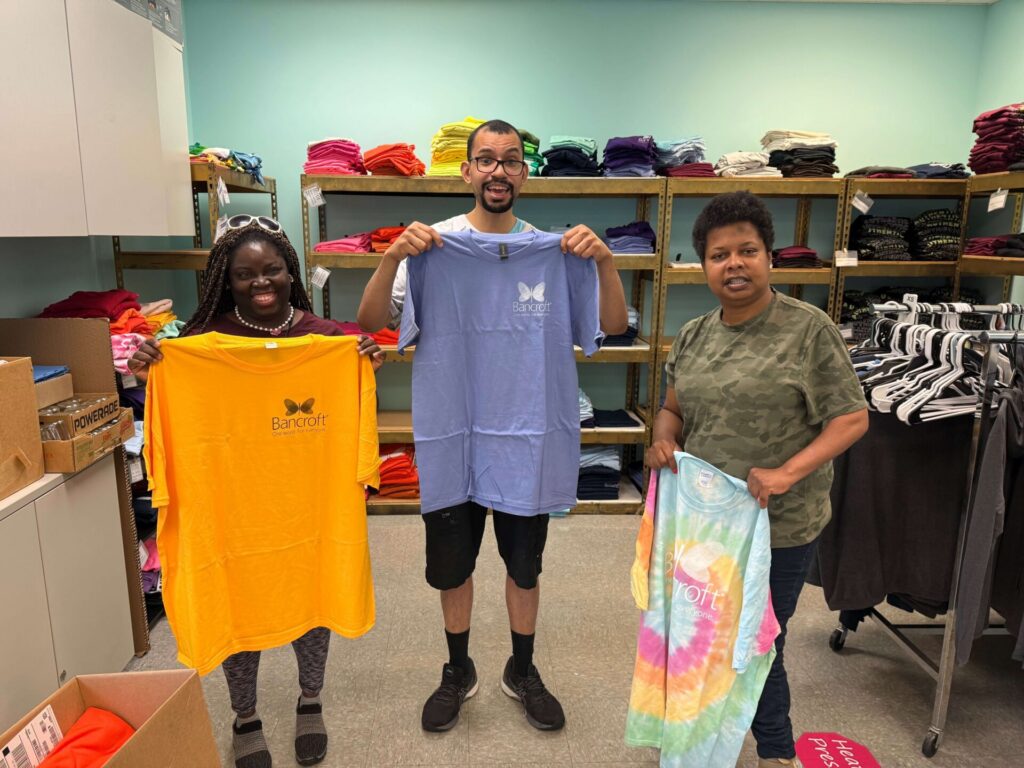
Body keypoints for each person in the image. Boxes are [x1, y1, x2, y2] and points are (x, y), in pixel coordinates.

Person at [357, 119, 628, 733]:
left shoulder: (557, 253)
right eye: (486, 159)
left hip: (526, 443)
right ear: (467, 170)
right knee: (453, 567)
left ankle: (522, 669)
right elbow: (370, 319)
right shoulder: (432, 249)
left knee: (523, 566)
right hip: (454, 438)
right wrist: (395, 254)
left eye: (509, 160)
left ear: (523, 173)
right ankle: (458, 670)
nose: (497, 170)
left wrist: (606, 262)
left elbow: (609, 327)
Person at [129, 215, 383, 768]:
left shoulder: (328, 341)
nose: (260, 282)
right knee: (235, 604)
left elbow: (358, 408)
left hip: (309, 506)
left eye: (271, 270)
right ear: (228, 279)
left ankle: (309, 699)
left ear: (291, 273)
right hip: (232, 510)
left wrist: (363, 361)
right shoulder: (197, 345)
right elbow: (170, 415)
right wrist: (151, 367)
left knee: (314, 594)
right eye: (245, 274)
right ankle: (246, 716)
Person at [645, 192, 868, 768]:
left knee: (758, 640)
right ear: (704, 266)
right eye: (720, 255)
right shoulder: (693, 335)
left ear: (770, 257)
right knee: (705, 633)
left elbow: (851, 417)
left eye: (748, 250)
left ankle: (774, 751)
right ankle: (699, 733)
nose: (734, 263)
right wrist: (664, 439)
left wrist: (787, 473)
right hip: (705, 521)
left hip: (779, 525)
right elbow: (674, 409)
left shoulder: (808, 331)